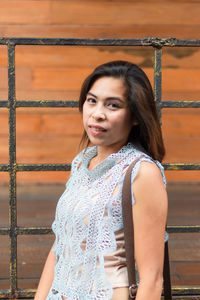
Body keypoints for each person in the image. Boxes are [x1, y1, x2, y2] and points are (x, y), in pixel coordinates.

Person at [34, 60, 168, 300]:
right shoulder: (83, 164)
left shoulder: (142, 172)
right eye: (92, 101)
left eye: (113, 105)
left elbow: (152, 279)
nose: (97, 114)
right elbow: (60, 249)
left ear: (136, 115)